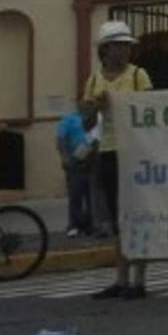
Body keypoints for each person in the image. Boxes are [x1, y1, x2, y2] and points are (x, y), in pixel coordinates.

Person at [85, 20, 153, 299]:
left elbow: (150, 111)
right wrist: (96, 106)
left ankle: (139, 280)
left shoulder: (138, 76)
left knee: (136, 214)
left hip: (135, 150)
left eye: (127, 46)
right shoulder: (93, 80)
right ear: (106, 49)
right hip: (108, 149)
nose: (125, 50)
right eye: (119, 45)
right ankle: (121, 278)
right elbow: (87, 121)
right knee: (117, 218)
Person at [55, 97, 98, 238]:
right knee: (75, 196)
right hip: (75, 162)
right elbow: (60, 139)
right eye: (85, 101)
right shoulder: (69, 120)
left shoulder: (97, 120)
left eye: (90, 102)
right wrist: (65, 158)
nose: (87, 104)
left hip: (93, 162)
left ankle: (90, 226)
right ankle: (73, 226)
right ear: (78, 103)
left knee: (92, 197)